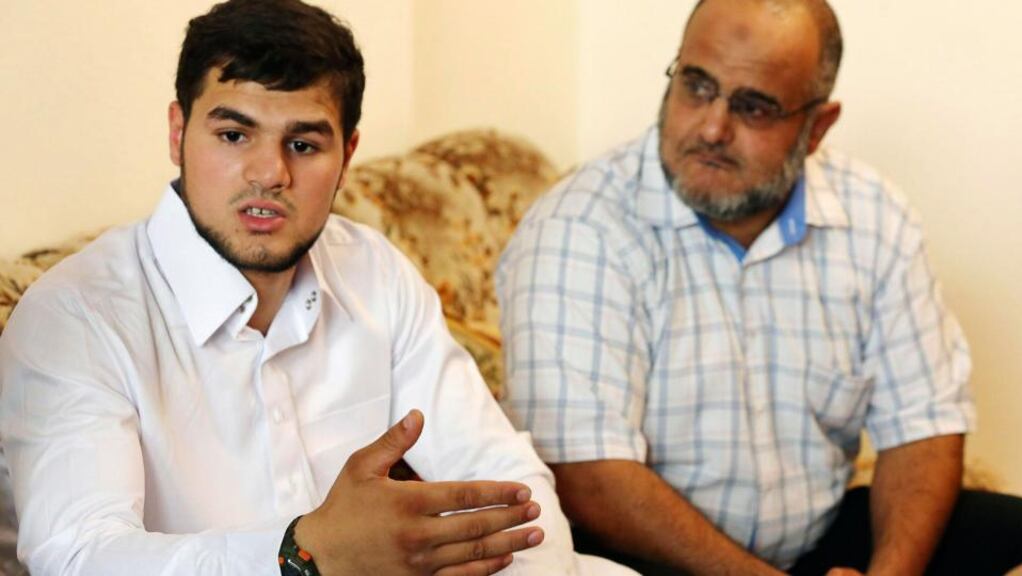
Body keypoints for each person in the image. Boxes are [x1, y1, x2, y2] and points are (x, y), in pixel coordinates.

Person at [0, 1, 635, 575]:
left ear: (347, 155)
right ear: (177, 133)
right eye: (233, 135)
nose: (269, 174)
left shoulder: (374, 272)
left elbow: (505, 479)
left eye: (303, 144)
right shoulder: (77, 316)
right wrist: (300, 555)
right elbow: (79, 555)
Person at [497, 0, 1022, 574]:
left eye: (753, 107)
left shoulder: (875, 215)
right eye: (697, 86)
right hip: (640, 555)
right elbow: (589, 477)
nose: (712, 128)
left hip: (813, 542)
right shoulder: (579, 227)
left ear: (817, 127)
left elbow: (924, 423)